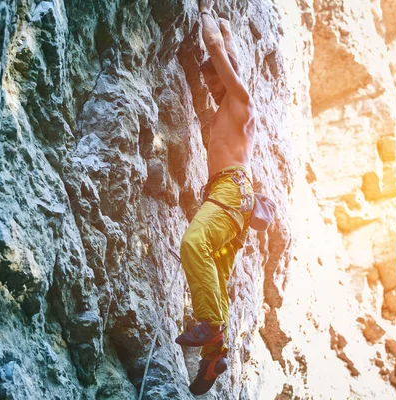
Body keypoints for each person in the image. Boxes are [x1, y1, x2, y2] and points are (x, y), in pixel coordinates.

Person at [174, 0, 257, 395]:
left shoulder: (240, 97)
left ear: (228, 77)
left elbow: (219, 50)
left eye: (213, 80)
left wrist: (207, 10)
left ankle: (211, 324)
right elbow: (228, 49)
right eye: (206, 82)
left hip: (232, 189)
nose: (209, 87)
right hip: (234, 198)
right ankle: (214, 357)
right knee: (216, 276)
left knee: (193, 243)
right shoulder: (230, 103)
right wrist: (227, 24)